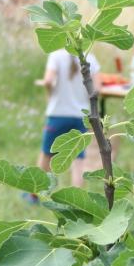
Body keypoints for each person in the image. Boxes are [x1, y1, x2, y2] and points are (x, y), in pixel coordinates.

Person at [38, 48, 100, 191]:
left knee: (47, 153)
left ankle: (37, 193)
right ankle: (77, 195)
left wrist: (49, 96)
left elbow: (48, 81)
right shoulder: (90, 57)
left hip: (58, 113)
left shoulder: (56, 56)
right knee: (78, 157)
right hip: (81, 115)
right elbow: (97, 88)